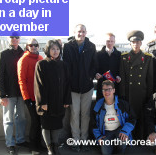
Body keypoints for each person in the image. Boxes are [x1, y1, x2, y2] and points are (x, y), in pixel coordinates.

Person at [63, 24, 97, 152]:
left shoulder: (91, 46)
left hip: (87, 87)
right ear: (74, 32)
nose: (81, 34)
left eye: (83, 32)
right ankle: (76, 140)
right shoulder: (67, 46)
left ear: (86, 33)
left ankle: (84, 140)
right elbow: (65, 66)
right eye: (79, 31)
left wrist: (90, 76)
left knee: (85, 115)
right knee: (74, 114)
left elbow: (95, 64)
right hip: (73, 88)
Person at [34, 40, 72, 155]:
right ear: (47, 50)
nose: (55, 51)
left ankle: (56, 145)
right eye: (52, 49)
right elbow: (38, 85)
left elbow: (67, 84)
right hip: (46, 102)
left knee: (56, 124)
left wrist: (66, 100)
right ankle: (49, 147)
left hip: (59, 101)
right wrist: (43, 102)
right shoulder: (41, 64)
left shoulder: (63, 65)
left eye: (57, 49)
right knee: (46, 125)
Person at [0, 32, 28, 155]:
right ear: (8, 38)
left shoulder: (24, 53)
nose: (14, 39)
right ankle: (10, 143)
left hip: (21, 93)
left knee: (22, 118)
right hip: (8, 94)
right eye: (12, 37)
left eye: (17, 37)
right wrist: (2, 95)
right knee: (8, 120)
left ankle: (20, 140)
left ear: (19, 39)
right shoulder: (2, 54)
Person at [119, 30, 153, 140]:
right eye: (133, 42)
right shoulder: (124, 57)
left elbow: (150, 78)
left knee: (140, 115)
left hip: (141, 93)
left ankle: (140, 137)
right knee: (129, 116)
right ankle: (128, 137)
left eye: (138, 42)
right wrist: (123, 94)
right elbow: (122, 77)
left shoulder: (148, 58)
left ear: (141, 43)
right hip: (129, 93)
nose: (135, 44)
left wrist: (149, 95)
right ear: (130, 44)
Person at [93, 80, 136, 155]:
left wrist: (125, 131)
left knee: (123, 141)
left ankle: (119, 150)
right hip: (105, 132)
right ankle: (110, 146)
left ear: (114, 90)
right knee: (105, 152)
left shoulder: (123, 104)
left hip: (119, 130)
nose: (106, 92)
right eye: (104, 90)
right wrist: (99, 137)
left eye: (109, 89)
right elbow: (93, 123)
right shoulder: (98, 106)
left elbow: (132, 118)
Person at [17, 38, 43, 154]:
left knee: (40, 122)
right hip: (30, 98)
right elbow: (21, 80)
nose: (33, 47)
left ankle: (39, 145)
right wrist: (26, 98)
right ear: (27, 46)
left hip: (40, 98)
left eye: (35, 45)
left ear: (38, 46)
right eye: (31, 45)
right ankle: (33, 147)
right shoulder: (23, 60)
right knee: (35, 122)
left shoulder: (41, 59)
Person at [95, 33, 121, 100]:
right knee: (101, 107)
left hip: (114, 86)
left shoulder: (119, 55)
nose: (110, 43)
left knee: (114, 107)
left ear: (114, 42)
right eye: (108, 41)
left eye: (112, 41)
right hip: (102, 86)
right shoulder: (98, 55)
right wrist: (96, 74)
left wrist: (119, 76)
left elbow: (121, 70)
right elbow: (95, 69)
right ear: (105, 42)